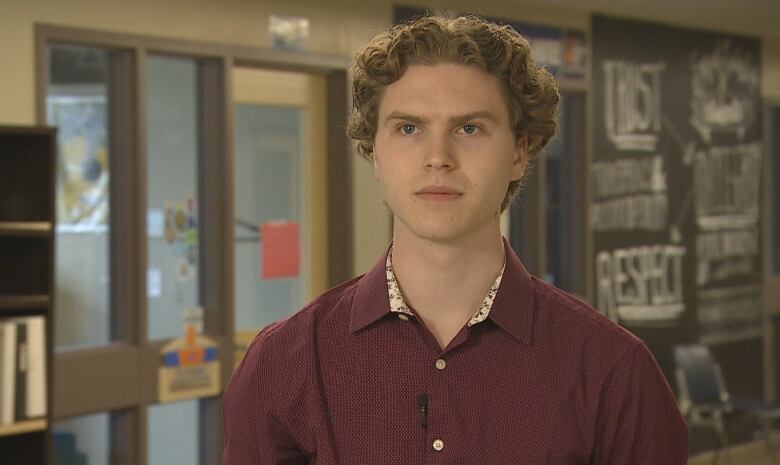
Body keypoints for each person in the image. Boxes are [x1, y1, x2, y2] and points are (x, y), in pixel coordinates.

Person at [222, 14, 689, 465]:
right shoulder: (285, 365)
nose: (438, 157)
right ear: (375, 152)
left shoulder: (612, 371)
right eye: (409, 128)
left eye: (469, 128)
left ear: (519, 153)